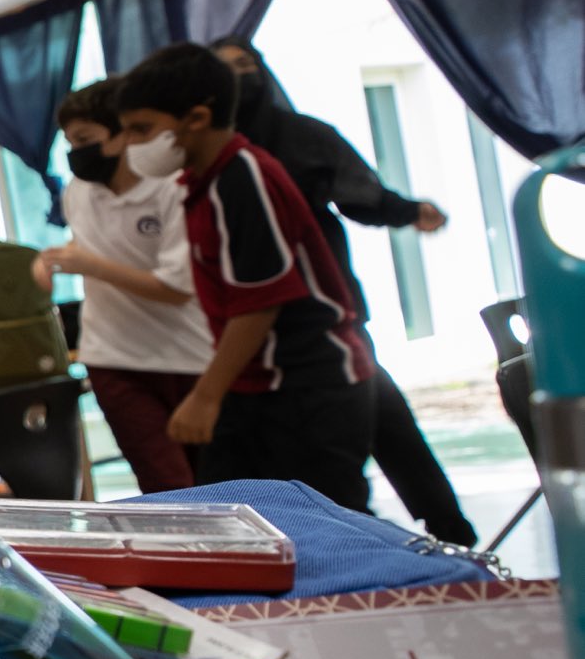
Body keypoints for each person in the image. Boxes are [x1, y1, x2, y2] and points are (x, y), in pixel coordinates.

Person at [212, 37, 476, 546]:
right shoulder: (210, 165)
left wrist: (408, 211)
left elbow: (363, 197)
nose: (239, 79)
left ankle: (443, 536)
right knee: (365, 432)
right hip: (261, 339)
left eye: (247, 66)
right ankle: (433, 534)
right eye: (225, 71)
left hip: (326, 318)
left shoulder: (301, 137)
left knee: (373, 430)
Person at [115, 44, 376, 512]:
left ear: (196, 118)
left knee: (330, 533)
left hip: (308, 389)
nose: (131, 145)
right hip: (258, 388)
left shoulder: (243, 177)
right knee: (228, 519)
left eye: (142, 129)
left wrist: (205, 396)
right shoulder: (202, 182)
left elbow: (259, 303)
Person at [36, 79, 216, 494]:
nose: (74, 152)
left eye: (85, 139)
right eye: (68, 141)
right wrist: (50, 262)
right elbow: (90, 247)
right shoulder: (78, 192)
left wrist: (89, 265)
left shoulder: (173, 188)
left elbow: (176, 287)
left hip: (187, 358)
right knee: (167, 488)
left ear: (124, 135)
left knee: (217, 487)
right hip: (114, 359)